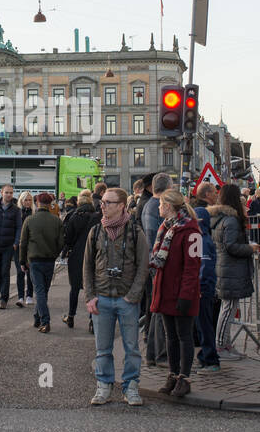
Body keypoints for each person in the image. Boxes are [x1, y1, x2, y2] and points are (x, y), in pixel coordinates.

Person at [83, 186, 149, 406]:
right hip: (102, 297)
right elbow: (87, 267)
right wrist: (90, 296)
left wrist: (133, 295)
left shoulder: (135, 231)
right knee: (102, 348)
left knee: (132, 347)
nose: (103, 206)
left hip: (126, 298)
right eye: (102, 202)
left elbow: (143, 266)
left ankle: (130, 386)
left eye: (108, 203)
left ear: (121, 206)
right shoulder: (96, 232)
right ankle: (104, 385)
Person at [149, 189, 201, 398]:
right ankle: (173, 373)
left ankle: (184, 377)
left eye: (161, 205)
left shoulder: (190, 231)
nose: (159, 208)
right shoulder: (166, 228)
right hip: (165, 290)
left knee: (184, 336)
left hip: (181, 292)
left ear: (168, 206)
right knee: (170, 336)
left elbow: (192, 266)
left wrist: (186, 295)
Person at [210, 184, 256, 362]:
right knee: (228, 308)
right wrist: (250, 248)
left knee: (228, 307)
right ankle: (220, 345)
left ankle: (226, 344)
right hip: (230, 268)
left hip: (226, 267)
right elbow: (231, 246)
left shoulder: (221, 218)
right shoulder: (230, 220)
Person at [20, 191, 64, 333]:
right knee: (43, 291)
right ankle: (37, 318)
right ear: (50, 203)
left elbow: (23, 243)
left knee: (39, 291)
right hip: (49, 260)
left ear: (37, 203)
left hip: (34, 260)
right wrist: (54, 254)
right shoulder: (56, 220)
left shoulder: (30, 220)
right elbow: (61, 242)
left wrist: (22, 260)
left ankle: (44, 320)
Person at [141, 173, 172, 364]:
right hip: (158, 265)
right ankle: (158, 354)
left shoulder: (150, 206)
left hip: (156, 263)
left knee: (157, 310)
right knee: (159, 311)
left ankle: (154, 353)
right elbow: (154, 240)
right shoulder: (154, 208)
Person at [192, 181, 222, 371]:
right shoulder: (201, 238)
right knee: (202, 324)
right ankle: (205, 355)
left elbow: (205, 266)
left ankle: (210, 358)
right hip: (202, 287)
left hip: (203, 289)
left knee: (204, 325)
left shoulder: (202, 240)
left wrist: (201, 286)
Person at [62, 189, 99, 330]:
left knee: (75, 288)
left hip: (76, 256)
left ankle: (71, 317)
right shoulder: (96, 217)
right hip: (93, 255)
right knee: (92, 288)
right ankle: (91, 320)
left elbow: (68, 239)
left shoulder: (73, 216)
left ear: (78, 201)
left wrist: (67, 250)